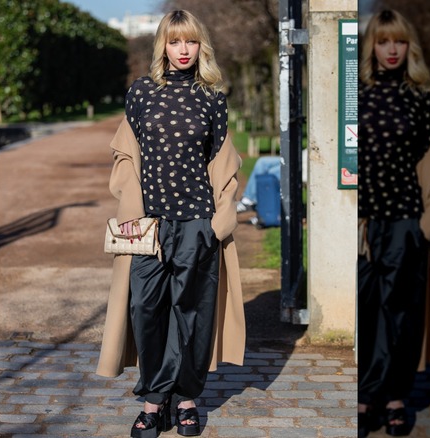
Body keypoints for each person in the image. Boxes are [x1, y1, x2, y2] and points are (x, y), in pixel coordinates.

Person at [95, 10, 246, 438]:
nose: (184, 50)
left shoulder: (212, 97)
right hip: (149, 225)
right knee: (146, 309)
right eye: (176, 42)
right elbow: (127, 156)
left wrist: (217, 222)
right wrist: (132, 213)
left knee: (192, 313)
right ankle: (154, 396)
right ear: (162, 44)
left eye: (191, 42)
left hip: (198, 222)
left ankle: (184, 400)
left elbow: (221, 161)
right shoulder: (140, 93)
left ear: (201, 46)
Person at [357, 9, 430, 437]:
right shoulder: (355, 95)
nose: (391, 50)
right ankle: (364, 393)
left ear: (407, 46)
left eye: (398, 41)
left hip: (403, 220)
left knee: (400, 313)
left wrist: (423, 224)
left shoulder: (420, 99)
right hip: (363, 222)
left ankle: (393, 396)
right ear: (371, 46)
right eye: (383, 41)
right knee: (366, 310)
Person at [235, 149, 308, 214]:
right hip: (298, 157)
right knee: (261, 162)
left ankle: (251, 203)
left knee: (270, 174)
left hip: (301, 169)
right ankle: (248, 199)